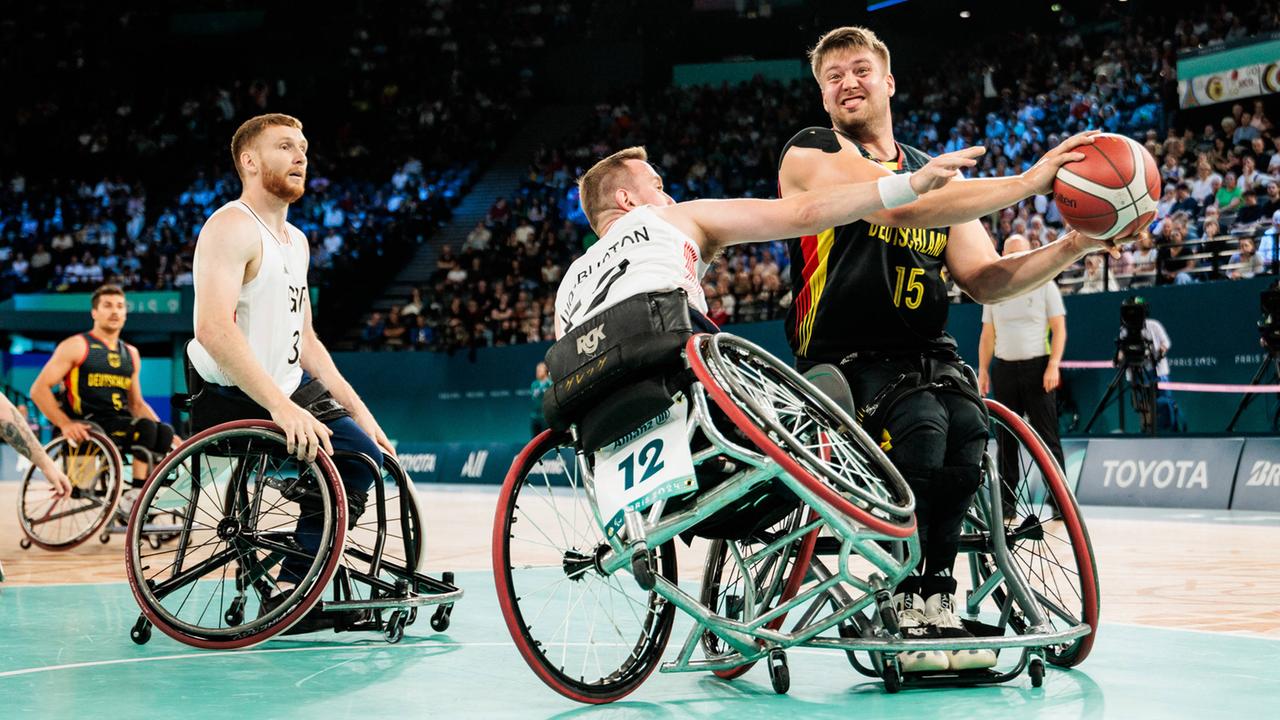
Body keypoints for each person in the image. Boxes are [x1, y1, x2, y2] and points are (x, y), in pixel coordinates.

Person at [777, 26, 1130, 673]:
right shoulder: (811, 153)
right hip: (840, 361)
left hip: (925, 355)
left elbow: (988, 277)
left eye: (860, 69)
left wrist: (1074, 244)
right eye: (833, 77)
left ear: (888, 81)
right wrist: (1029, 181)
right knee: (923, 421)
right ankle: (897, 591)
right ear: (823, 96)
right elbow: (902, 212)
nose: (848, 82)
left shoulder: (929, 170)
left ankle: (934, 593)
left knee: (968, 425)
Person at [187, 113, 394, 624]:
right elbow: (213, 327)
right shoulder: (231, 225)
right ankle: (297, 576)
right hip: (230, 392)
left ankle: (295, 571)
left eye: (303, 146)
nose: (301, 156)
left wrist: (362, 412)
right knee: (339, 462)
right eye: (285, 146)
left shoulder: (297, 241)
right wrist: (281, 408)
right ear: (250, 161)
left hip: (284, 386)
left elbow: (308, 343)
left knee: (363, 453)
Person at [556, 144, 982, 338]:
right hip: (664, 353)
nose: (667, 195)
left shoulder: (569, 283)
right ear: (626, 199)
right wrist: (910, 184)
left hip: (594, 402)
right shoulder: (669, 216)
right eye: (657, 185)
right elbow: (802, 214)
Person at [30, 284, 179, 483]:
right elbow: (38, 390)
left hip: (121, 422)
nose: (115, 311)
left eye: (120, 306)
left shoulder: (130, 353)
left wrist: (171, 437)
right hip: (89, 423)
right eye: (108, 305)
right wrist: (65, 424)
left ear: (125, 313)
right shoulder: (77, 345)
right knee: (146, 428)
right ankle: (137, 490)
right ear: (94, 312)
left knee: (165, 431)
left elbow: (136, 404)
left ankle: (148, 486)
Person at [976, 234, 1068, 519]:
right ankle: (1006, 505)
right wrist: (983, 370)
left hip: (1038, 369)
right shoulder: (994, 288)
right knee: (1005, 440)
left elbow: (1059, 328)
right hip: (1004, 369)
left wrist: (1053, 365)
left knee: (1047, 437)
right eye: (1010, 254)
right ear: (1002, 254)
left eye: (1021, 254)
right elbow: (987, 334)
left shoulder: (1044, 284)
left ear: (1031, 253)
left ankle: (1061, 504)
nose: (1016, 259)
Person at [530, 362, 552, 436]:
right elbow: (535, 396)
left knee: (548, 438)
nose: (537, 372)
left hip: (547, 417)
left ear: (546, 371)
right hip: (536, 417)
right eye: (537, 370)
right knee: (535, 439)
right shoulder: (534, 384)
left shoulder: (550, 383)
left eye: (539, 370)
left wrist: (547, 381)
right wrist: (543, 385)